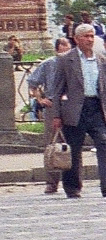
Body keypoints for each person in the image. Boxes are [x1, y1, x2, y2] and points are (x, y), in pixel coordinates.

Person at [49, 23, 106, 200]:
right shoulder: (66, 60)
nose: (90, 40)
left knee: (104, 145)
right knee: (73, 150)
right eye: (86, 36)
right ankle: (72, 188)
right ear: (76, 39)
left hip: (96, 108)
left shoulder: (100, 59)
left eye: (92, 36)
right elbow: (57, 90)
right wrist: (56, 114)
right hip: (75, 110)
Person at [30, 37, 72, 194]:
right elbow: (33, 82)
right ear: (57, 50)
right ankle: (51, 182)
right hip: (53, 106)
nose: (65, 51)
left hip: (72, 106)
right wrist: (40, 99)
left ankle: (72, 181)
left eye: (67, 48)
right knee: (52, 145)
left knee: (72, 143)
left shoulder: (75, 64)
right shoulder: (49, 64)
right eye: (62, 48)